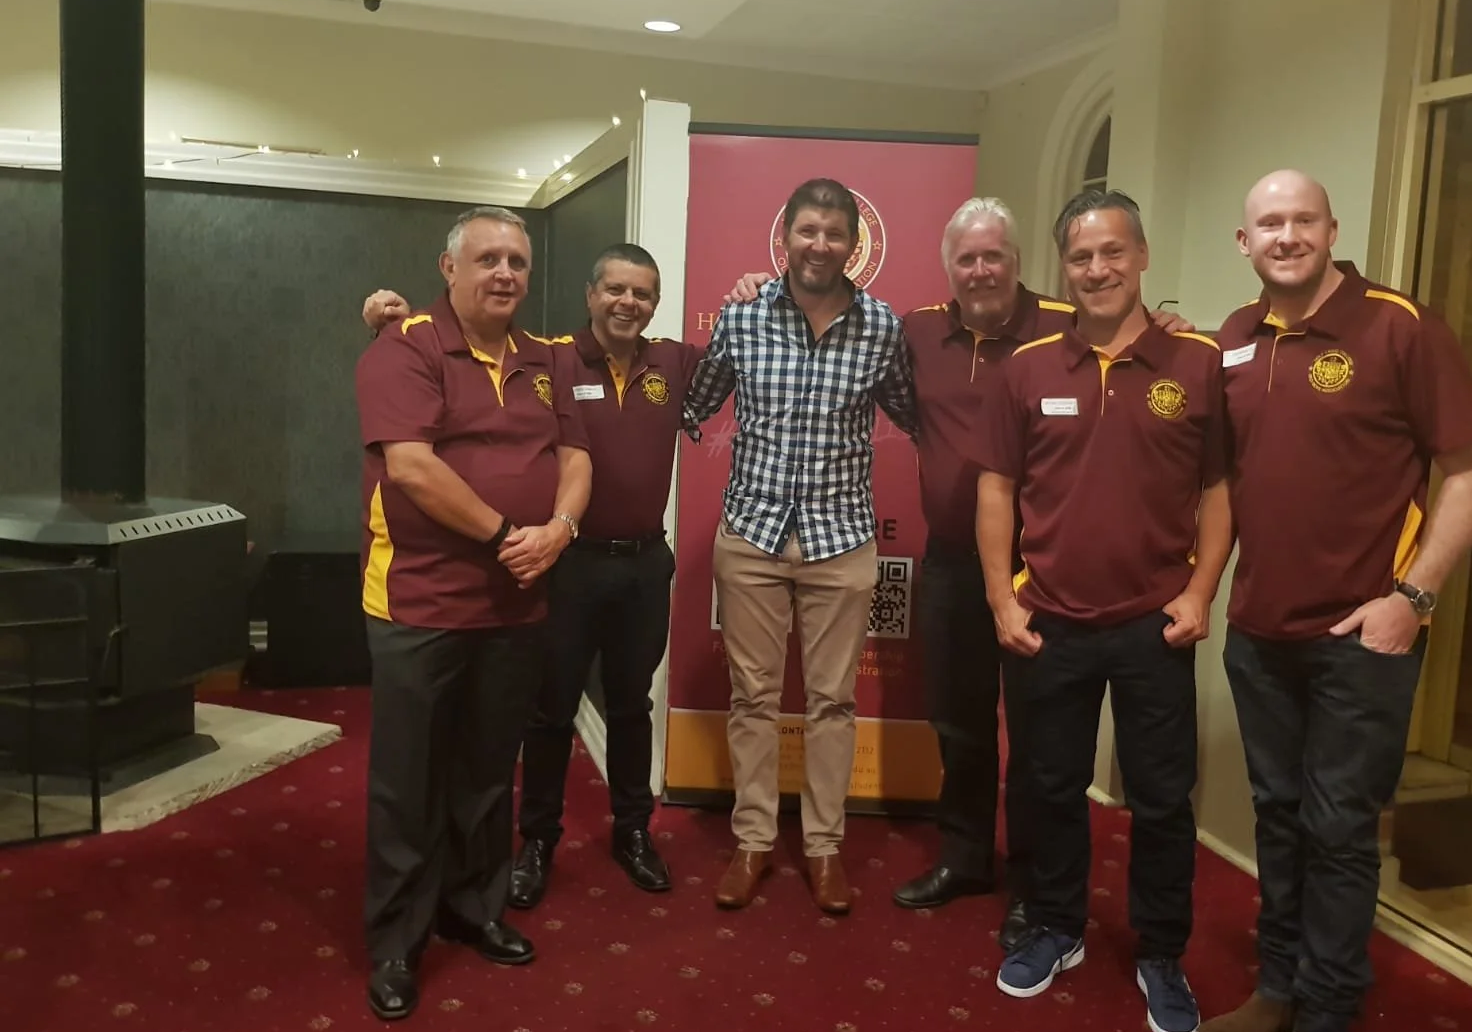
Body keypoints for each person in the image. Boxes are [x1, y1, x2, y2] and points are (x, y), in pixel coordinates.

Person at [724, 197, 1192, 951]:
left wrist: (1167, 325)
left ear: (1017, 262)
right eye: (967, 259)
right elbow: (849, 339)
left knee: (1037, 737)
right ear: (950, 268)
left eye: (993, 256)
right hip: (950, 562)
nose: (980, 270)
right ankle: (967, 858)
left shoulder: (1062, 324)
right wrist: (757, 284)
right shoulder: (914, 331)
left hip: (1039, 570)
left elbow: (1131, 341)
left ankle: (1034, 883)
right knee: (959, 723)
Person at [1196, 171, 1472, 1032]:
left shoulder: (1399, 328)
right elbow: (1222, 480)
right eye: (1268, 223)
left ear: (1332, 230)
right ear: (1244, 242)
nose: (1286, 236)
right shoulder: (1234, 339)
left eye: (1303, 220)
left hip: (1360, 640)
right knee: (1279, 819)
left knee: (1337, 834)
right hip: (1259, 633)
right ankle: (1279, 992)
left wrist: (1413, 597)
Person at [971, 189, 1230, 1032]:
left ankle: (1161, 951)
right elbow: (997, 489)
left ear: (1142, 256)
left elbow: (1220, 490)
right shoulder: (1028, 368)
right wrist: (1001, 597)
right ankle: (1056, 925)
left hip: (1156, 623)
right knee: (1047, 786)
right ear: (1065, 268)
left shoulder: (1197, 363)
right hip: (1047, 619)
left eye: (1113, 251)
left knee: (1161, 798)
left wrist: (1201, 592)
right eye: (1081, 256)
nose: (1097, 269)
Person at [362, 243, 696, 907]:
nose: (628, 303)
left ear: (656, 303)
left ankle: (634, 830)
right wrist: (386, 319)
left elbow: (748, 355)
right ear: (590, 294)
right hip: (565, 563)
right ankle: (537, 840)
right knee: (551, 710)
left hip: (643, 565)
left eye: (643, 293)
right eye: (616, 289)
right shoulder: (554, 355)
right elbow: (469, 334)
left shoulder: (676, 361)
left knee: (632, 706)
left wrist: (754, 291)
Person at [354, 205, 592, 1022]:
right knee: (409, 780)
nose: (505, 274)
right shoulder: (404, 347)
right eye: (487, 258)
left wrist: (559, 531)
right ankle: (397, 940)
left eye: (517, 262)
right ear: (449, 267)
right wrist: (506, 536)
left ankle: (474, 906)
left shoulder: (545, 357)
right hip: (418, 603)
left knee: (489, 770)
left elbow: (575, 455)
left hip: (516, 603)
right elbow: (412, 468)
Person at [684, 177, 917, 916]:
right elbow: (691, 399)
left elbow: (923, 413)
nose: (820, 245)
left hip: (841, 541)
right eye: (807, 231)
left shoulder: (882, 328)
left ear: (854, 243)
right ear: (785, 236)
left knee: (833, 703)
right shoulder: (743, 313)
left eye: (834, 233)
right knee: (752, 698)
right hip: (751, 535)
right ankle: (753, 840)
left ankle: (823, 847)